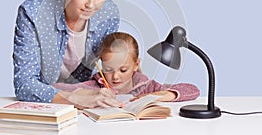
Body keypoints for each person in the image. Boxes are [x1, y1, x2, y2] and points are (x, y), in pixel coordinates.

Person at [13, 0, 123, 108]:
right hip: (44, 107)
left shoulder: (109, 14)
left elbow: (106, 72)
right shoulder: (32, 13)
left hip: (88, 109)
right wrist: (77, 99)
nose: (91, 5)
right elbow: (24, 85)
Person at [53, 32, 200, 104]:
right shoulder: (94, 86)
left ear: (136, 64)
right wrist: (86, 94)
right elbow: (55, 89)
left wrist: (164, 95)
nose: (115, 77)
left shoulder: (148, 86)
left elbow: (192, 89)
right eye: (109, 69)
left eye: (123, 70)